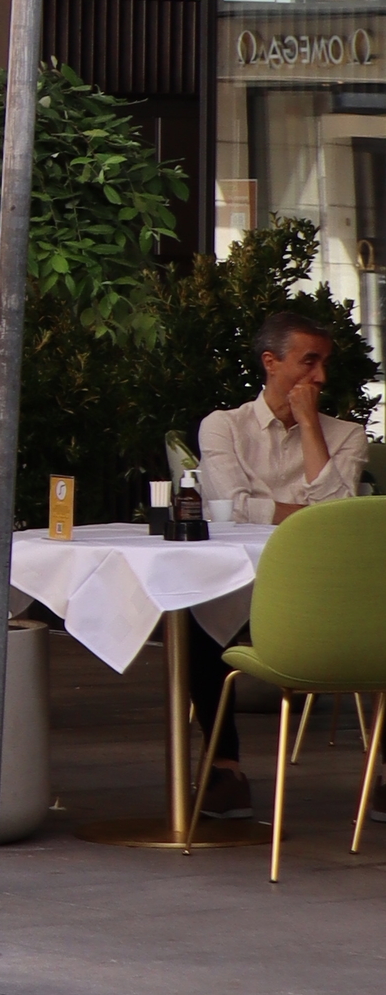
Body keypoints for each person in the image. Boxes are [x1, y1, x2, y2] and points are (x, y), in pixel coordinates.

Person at [187, 311, 370, 818]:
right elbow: (230, 505)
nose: (320, 378)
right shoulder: (224, 426)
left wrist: (310, 425)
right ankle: (225, 765)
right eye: (308, 362)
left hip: (325, 593)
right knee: (194, 614)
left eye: (324, 363)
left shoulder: (346, 434)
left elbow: (338, 516)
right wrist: (310, 512)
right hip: (240, 585)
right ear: (271, 362)